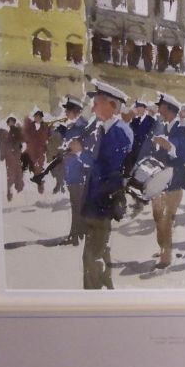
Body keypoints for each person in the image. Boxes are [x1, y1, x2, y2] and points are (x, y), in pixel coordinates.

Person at [78, 80, 132, 290]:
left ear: (112, 105)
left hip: (102, 203)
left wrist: (82, 154)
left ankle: (93, 298)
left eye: (96, 103)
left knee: (92, 256)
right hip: (96, 202)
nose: (92, 109)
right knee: (99, 250)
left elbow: (111, 173)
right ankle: (107, 288)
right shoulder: (105, 129)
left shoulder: (118, 133)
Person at [142, 93, 185, 269]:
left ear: (168, 109)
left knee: (166, 219)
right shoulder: (163, 128)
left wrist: (170, 148)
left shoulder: (181, 130)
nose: (158, 110)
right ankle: (162, 248)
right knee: (158, 217)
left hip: (174, 182)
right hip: (160, 181)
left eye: (161, 107)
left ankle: (166, 257)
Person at [30, 97, 87, 187]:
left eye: (67, 111)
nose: (65, 112)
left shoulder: (81, 124)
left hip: (78, 160)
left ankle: (42, 177)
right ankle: (41, 177)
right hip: (69, 155)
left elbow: (80, 143)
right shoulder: (73, 124)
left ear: (74, 111)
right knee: (56, 160)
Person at [61, 137, 88, 246]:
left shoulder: (71, 157)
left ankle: (77, 235)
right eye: (73, 143)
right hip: (76, 186)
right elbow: (80, 171)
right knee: (77, 211)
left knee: (77, 211)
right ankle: (76, 235)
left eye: (75, 143)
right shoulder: (71, 157)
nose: (72, 144)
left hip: (76, 186)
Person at [22, 110, 49, 194]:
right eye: (35, 117)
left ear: (41, 118)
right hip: (31, 149)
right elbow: (26, 135)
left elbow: (47, 137)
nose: (36, 118)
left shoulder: (45, 127)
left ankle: (39, 184)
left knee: (38, 168)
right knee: (29, 164)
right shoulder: (30, 126)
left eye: (37, 117)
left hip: (40, 150)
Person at [0, 116, 24, 201]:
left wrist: (14, 149)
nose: (10, 123)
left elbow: (18, 142)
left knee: (13, 172)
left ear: (13, 122)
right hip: (12, 155)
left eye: (11, 122)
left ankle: (14, 188)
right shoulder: (11, 131)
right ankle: (14, 188)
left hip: (13, 155)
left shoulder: (14, 130)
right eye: (9, 122)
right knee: (14, 172)